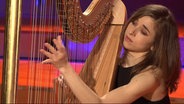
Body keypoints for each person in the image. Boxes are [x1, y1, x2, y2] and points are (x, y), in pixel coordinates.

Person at [40, 4, 181, 104]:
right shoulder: (115, 63)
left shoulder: (151, 76)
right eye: (134, 23)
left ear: (155, 45)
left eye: (143, 32)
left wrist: (65, 67)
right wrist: (64, 89)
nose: (132, 31)